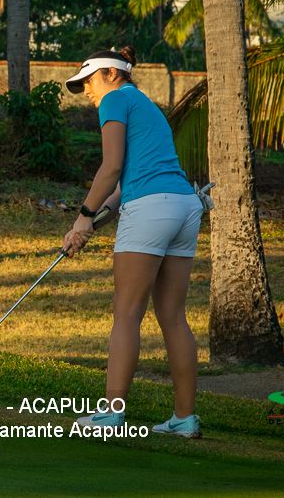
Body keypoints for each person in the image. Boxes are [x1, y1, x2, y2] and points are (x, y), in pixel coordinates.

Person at [61, 46, 205, 439]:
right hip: (184, 206)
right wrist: (88, 227)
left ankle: (111, 414)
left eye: (89, 81)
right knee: (173, 316)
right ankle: (184, 418)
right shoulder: (145, 105)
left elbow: (110, 168)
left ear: (110, 74)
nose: (87, 91)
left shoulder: (115, 100)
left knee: (126, 315)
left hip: (152, 208)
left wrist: (83, 215)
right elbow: (123, 189)